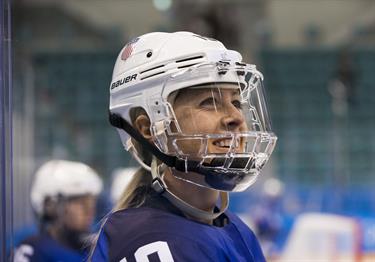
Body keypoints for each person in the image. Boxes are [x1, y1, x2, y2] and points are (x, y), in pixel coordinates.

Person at [91, 31, 277, 261]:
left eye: (237, 102)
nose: (236, 118)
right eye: (210, 102)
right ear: (149, 127)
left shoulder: (233, 227)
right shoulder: (149, 241)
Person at [14, 159, 103, 262]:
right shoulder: (35, 249)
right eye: (80, 202)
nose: (89, 210)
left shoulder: (95, 248)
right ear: (50, 205)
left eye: (91, 203)